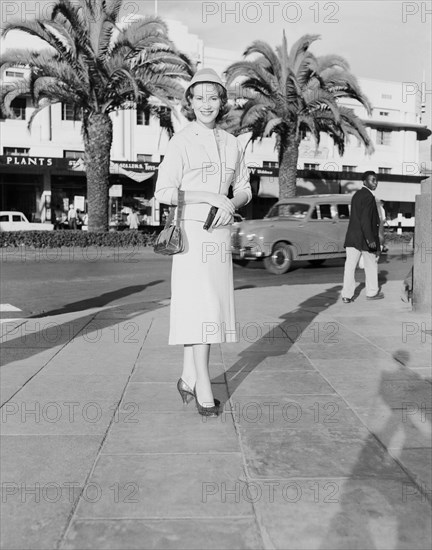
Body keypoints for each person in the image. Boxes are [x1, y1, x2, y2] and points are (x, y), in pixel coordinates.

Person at [154, 68, 252, 417]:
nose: (207, 104)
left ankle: (186, 376)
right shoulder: (181, 141)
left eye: (213, 97)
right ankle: (203, 386)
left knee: (212, 305)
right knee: (202, 308)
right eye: (200, 97)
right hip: (193, 234)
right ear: (190, 102)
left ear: (222, 102)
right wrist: (210, 196)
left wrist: (232, 204)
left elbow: (243, 188)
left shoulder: (232, 142)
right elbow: (165, 192)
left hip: (221, 232)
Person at [341, 170, 383, 302]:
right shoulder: (369, 197)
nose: (375, 183)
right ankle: (371, 293)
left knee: (349, 267)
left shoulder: (356, 195)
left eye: (376, 180)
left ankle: (346, 296)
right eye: (372, 180)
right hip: (366, 239)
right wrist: (370, 239)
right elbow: (365, 220)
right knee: (371, 266)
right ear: (364, 181)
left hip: (352, 238)